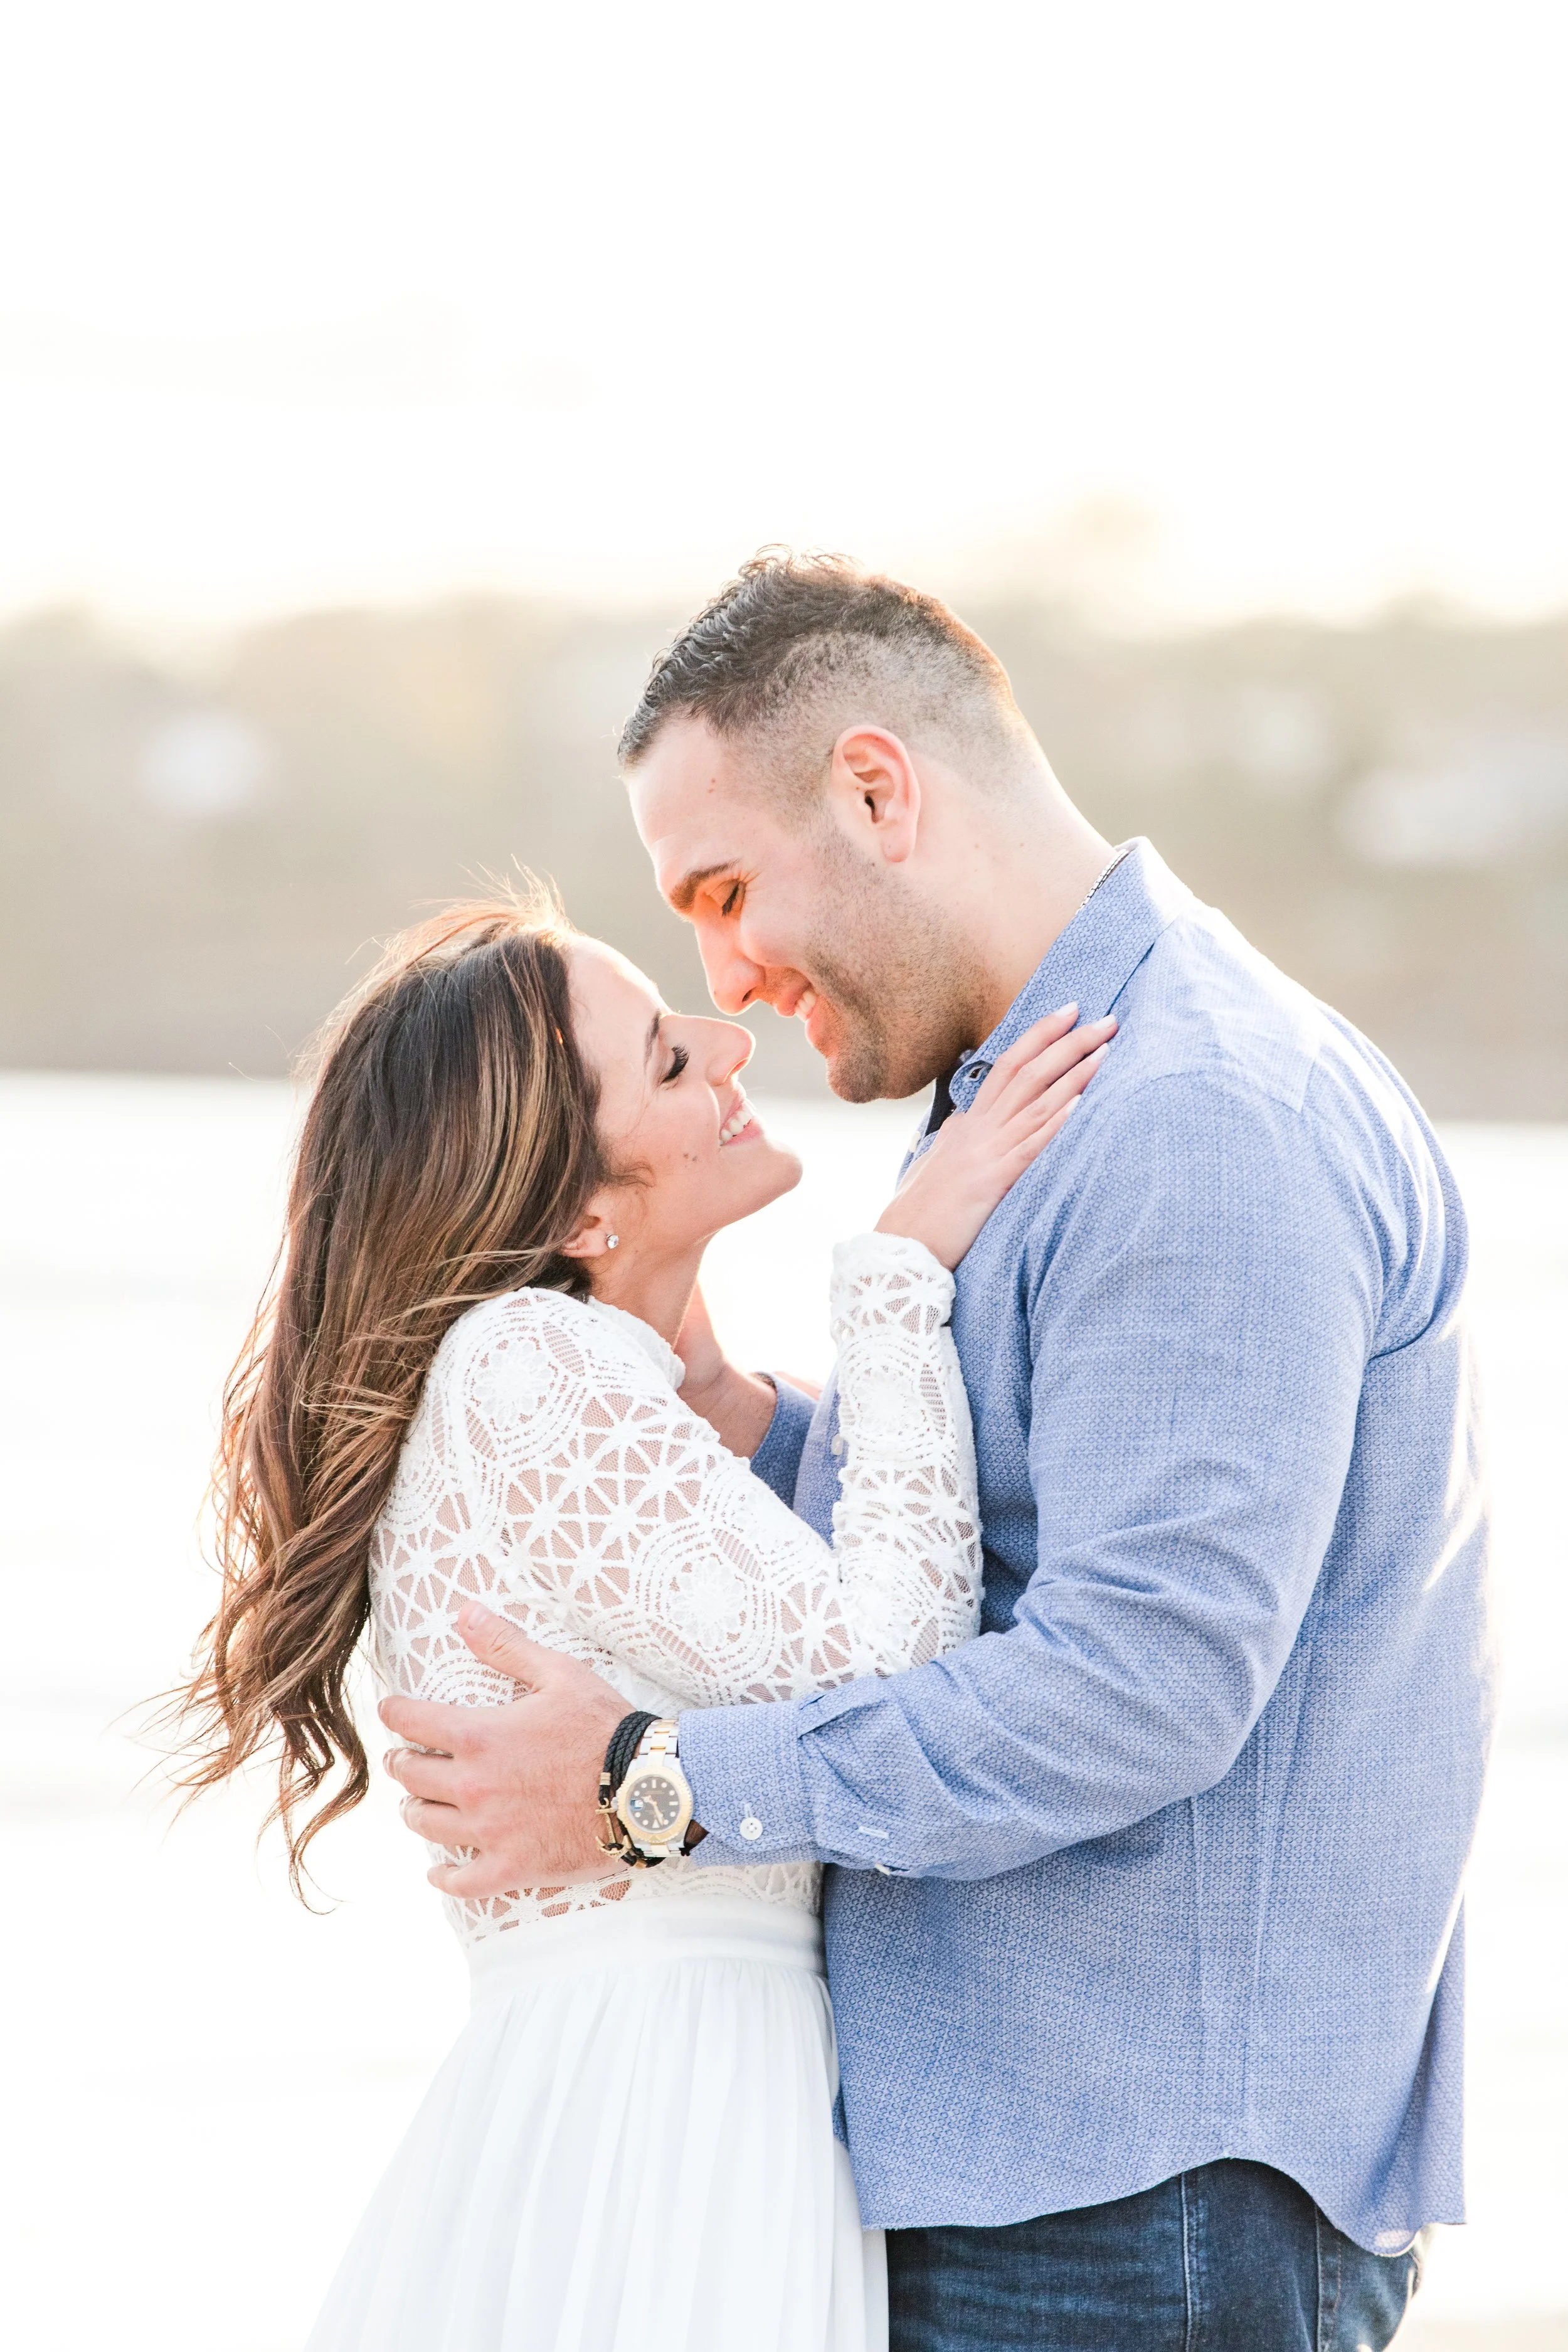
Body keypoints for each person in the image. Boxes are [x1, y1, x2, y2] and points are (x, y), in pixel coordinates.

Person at [386, 554, 1495, 2352]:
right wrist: (744, 1425)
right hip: (1042, 2182)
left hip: (1141, 2205)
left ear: (881, 790)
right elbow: (1015, 1530)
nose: (725, 976)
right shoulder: (1040, 1091)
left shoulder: (1194, 1120)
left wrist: (644, 1781)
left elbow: (1138, 1681)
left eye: (723, 890)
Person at [171, 890, 1108, 2351]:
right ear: (576, 1211)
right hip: (659, 2112)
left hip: (683, 2084)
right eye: (669, 1060)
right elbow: (889, 1672)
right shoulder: (525, 1364)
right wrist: (894, 1277)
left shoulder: (592, 1389)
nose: (726, 1039)